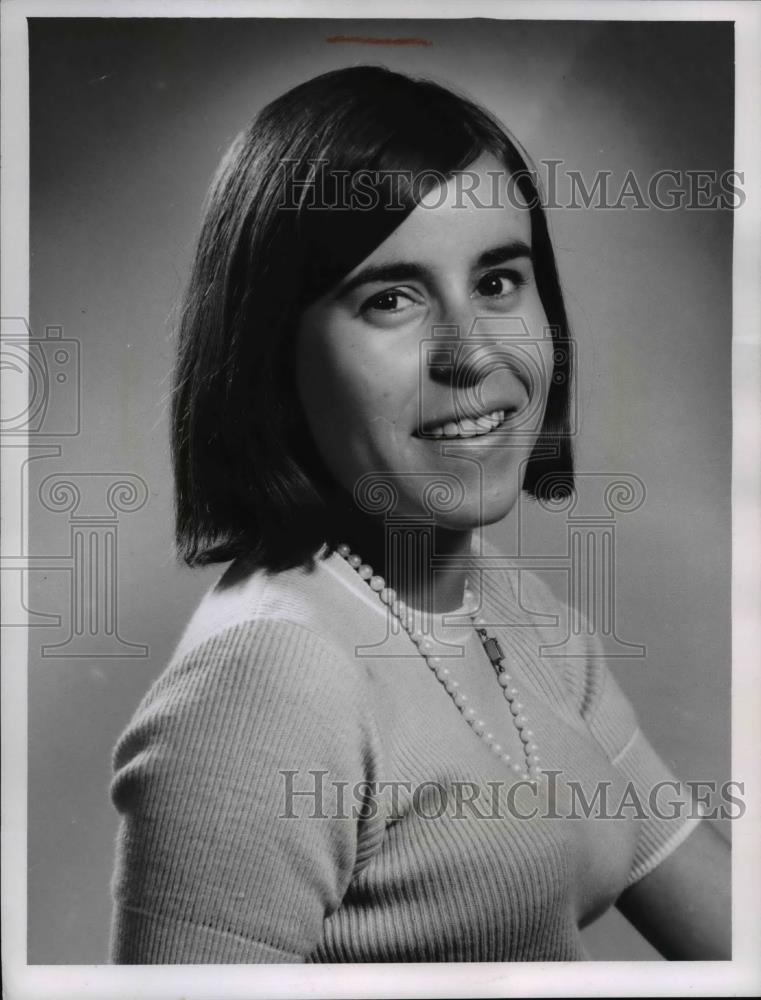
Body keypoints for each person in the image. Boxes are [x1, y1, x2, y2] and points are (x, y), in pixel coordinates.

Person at [108, 65, 730, 963]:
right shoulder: (266, 683)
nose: (472, 353)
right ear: (269, 354)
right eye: (389, 299)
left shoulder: (517, 617)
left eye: (498, 282)